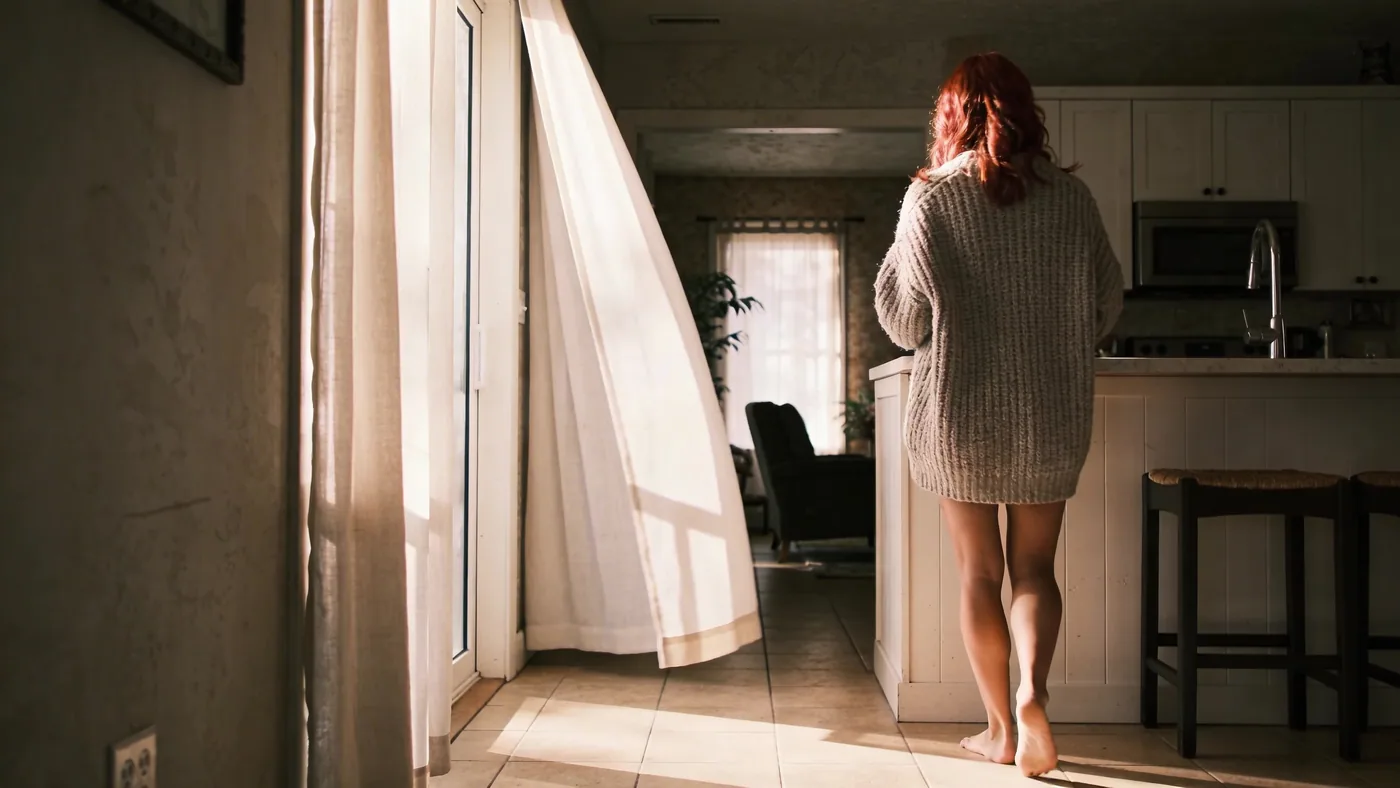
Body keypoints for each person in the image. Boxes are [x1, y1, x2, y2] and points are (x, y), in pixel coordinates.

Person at [874, 52, 1123, 778]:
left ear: (949, 117)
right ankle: (1032, 696)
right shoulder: (1072, 200)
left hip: (959, 412)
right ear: (1025, 111)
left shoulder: (929, 199)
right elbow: (1108, 305)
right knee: (1035, 569)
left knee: (979, 573)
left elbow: (899, 318)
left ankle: (998, 733)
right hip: (1049, 411)